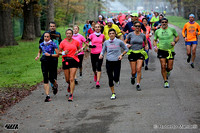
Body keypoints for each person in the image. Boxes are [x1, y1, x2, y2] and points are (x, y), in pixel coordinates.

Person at [99, 28, 128, 99]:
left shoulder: (119, 42)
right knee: (110, 78)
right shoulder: (106, 42)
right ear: (108, 35)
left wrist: (121, 55)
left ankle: (117, 80)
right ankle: (113, 93)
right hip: (109, 61)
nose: (111, 35)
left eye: (113, 33)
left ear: (115, 34)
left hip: (117, 61)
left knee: (116, 77)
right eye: (110, 33)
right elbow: (103, 51)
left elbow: (126, 49)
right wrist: (101, 55)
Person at [154, 18, 179, 88]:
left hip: (170, 50)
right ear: (161, 23)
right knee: (163, 66)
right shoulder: (157, 31)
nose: (164, 23)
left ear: (167, 23)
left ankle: (168, 71)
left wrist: (175, 42)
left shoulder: (172, 30)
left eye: (165, 22)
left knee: (170, 67)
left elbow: (177, 37)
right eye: (162, 22)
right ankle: (165, 81)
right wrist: (155, 46)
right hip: (161, 50)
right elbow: (155, 40)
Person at [124, 21, 149, 91]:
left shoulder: (143, 35)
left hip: (140, 53)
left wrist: (146, 46)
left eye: (139, 26)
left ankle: (138, 84)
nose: (137, 27)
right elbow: (124, 41)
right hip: (132, 53)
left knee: (139, 69)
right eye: (136, 26)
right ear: (134, 27)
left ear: (140, 27)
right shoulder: (130, 34)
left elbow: (146, 43)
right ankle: (132, 77)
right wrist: (127, 45)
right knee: (133, 72)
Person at [59, 29, 82, 101]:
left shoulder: (76, 42)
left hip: (74, 60)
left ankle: (71, 94)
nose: (68, 35)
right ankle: (69, 84)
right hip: (66, 60)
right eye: (67, 33)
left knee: (72, 78)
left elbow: (79, 49)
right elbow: (59, 52)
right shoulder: (62, 42)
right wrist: (63, 53)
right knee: (67, 79)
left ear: (72, 34)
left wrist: (78, 52)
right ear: (65, 34)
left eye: (70, 33)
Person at [35, 32, 59, 102]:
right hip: (44, 62)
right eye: (45, 36)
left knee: (51, 78)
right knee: (45, 78)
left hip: (51, 62)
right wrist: (38, 56)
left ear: (50, 37)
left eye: (47, 37)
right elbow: (40, 51)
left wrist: (50, 55)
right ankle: (47, 96)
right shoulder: (41, 44)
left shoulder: (53, 44)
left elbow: (57, 55)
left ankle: (55, 85)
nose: (46, 38)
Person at [39, 22, 62, 89]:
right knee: (47, 70)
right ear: (49, 27)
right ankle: (51, 82)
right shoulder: (46, 34)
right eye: (51, 26)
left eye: (53, 26)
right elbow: (40, 42)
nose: (52, 27)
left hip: (55, 54)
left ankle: (53, 83)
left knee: (54, 69)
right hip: (47, 55)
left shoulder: (58, 34)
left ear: (55, 27)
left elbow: (61, 43)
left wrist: (60, 51)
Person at [87, 23, 105, 88]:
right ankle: (95, 74)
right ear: (94, 28)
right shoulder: (91, 35)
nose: (97, 28)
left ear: (100, 28)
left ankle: (98, 82)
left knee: (99, 67)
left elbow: (104, 43)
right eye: (96, 27)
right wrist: (90, 46)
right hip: (93, 53)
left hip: (100, 53)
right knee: (94, 67)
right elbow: (86, 42)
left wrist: (103, 50)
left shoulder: (102, 35)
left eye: (98, 27)